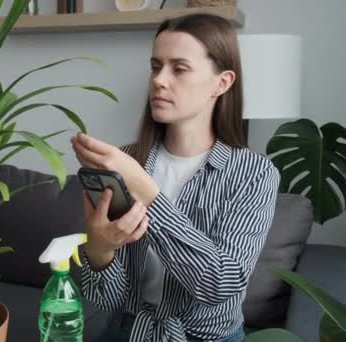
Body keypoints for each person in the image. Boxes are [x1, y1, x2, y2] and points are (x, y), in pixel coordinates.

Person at [70, 13, 280, 342]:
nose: (159, 80)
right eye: (156, 66)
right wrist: (99, 250)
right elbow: (104, 299)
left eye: (179, 68)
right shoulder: (126, 160)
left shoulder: (253, 174)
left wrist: (146, 191)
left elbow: (220, 284)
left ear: (222, 82)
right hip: (127, 332)